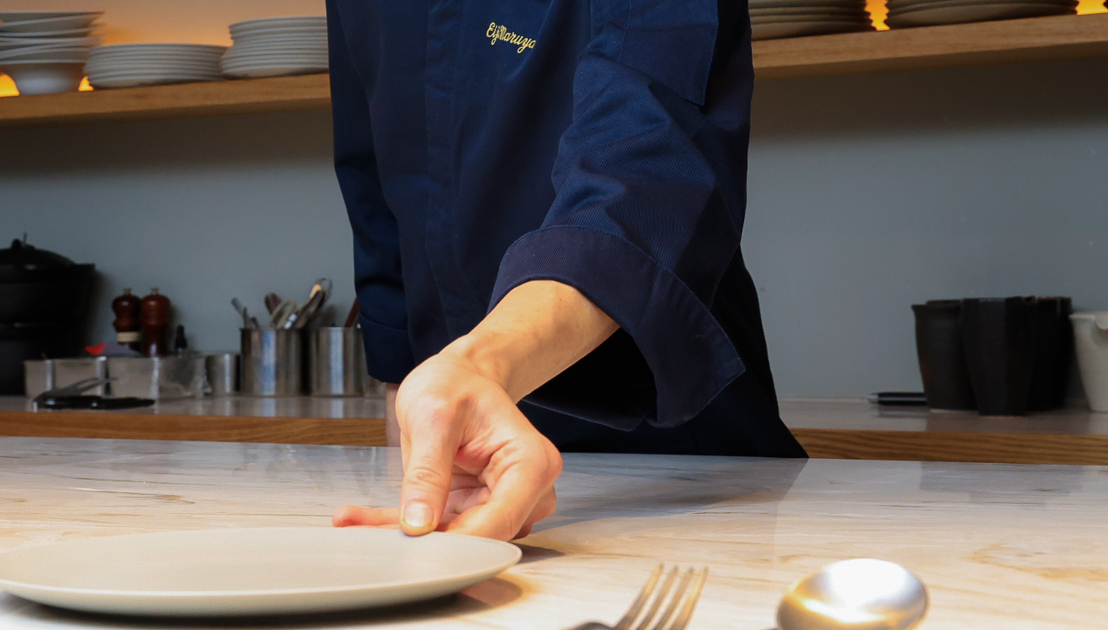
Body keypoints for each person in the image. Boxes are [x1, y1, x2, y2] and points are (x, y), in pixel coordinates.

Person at [324, 0, 805, 543]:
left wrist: (480, 365)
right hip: (461, 452)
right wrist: (419, 427)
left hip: (673, 457)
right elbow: (375, 188)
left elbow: (651, 154)